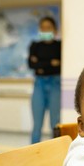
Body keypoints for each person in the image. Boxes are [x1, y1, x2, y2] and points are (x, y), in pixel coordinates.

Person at [28, 16, 61, 144]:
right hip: (39, 84)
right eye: (42, 28)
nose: (45, 30)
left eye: (48, 28)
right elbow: (31, 65)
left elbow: (58, 65)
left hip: (55, 84)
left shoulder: (60, 46)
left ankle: (57, 153)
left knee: (55, 124)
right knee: (37, 125)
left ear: (55, 30)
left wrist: (40, 63)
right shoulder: (35, 46)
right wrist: (51, 63)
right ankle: (33, 154)